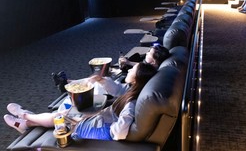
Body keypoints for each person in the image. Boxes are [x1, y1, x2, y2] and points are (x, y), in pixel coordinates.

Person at [4, 62, 157, 141]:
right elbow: (117, 90)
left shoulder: (131, 103)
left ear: (137, 79)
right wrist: (102, 80)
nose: (129, 70)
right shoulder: (134, 90)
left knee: (60, 117)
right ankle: (26, 123)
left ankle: (24, 116)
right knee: (63, 114)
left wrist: (105, 127)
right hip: (102, 120)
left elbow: (120, 133)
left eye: (132, 70)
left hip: (99, 130)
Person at [52, 44, 170, 93]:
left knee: (97, 82)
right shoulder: (150, 69)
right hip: (122, 85)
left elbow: (120, 90)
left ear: (154, 61)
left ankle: (65, 85)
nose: (148, 52)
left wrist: (128, 64)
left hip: (118, 88)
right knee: (99, 78)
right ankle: (66, 82)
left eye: (150, 52)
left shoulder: (147, 73)